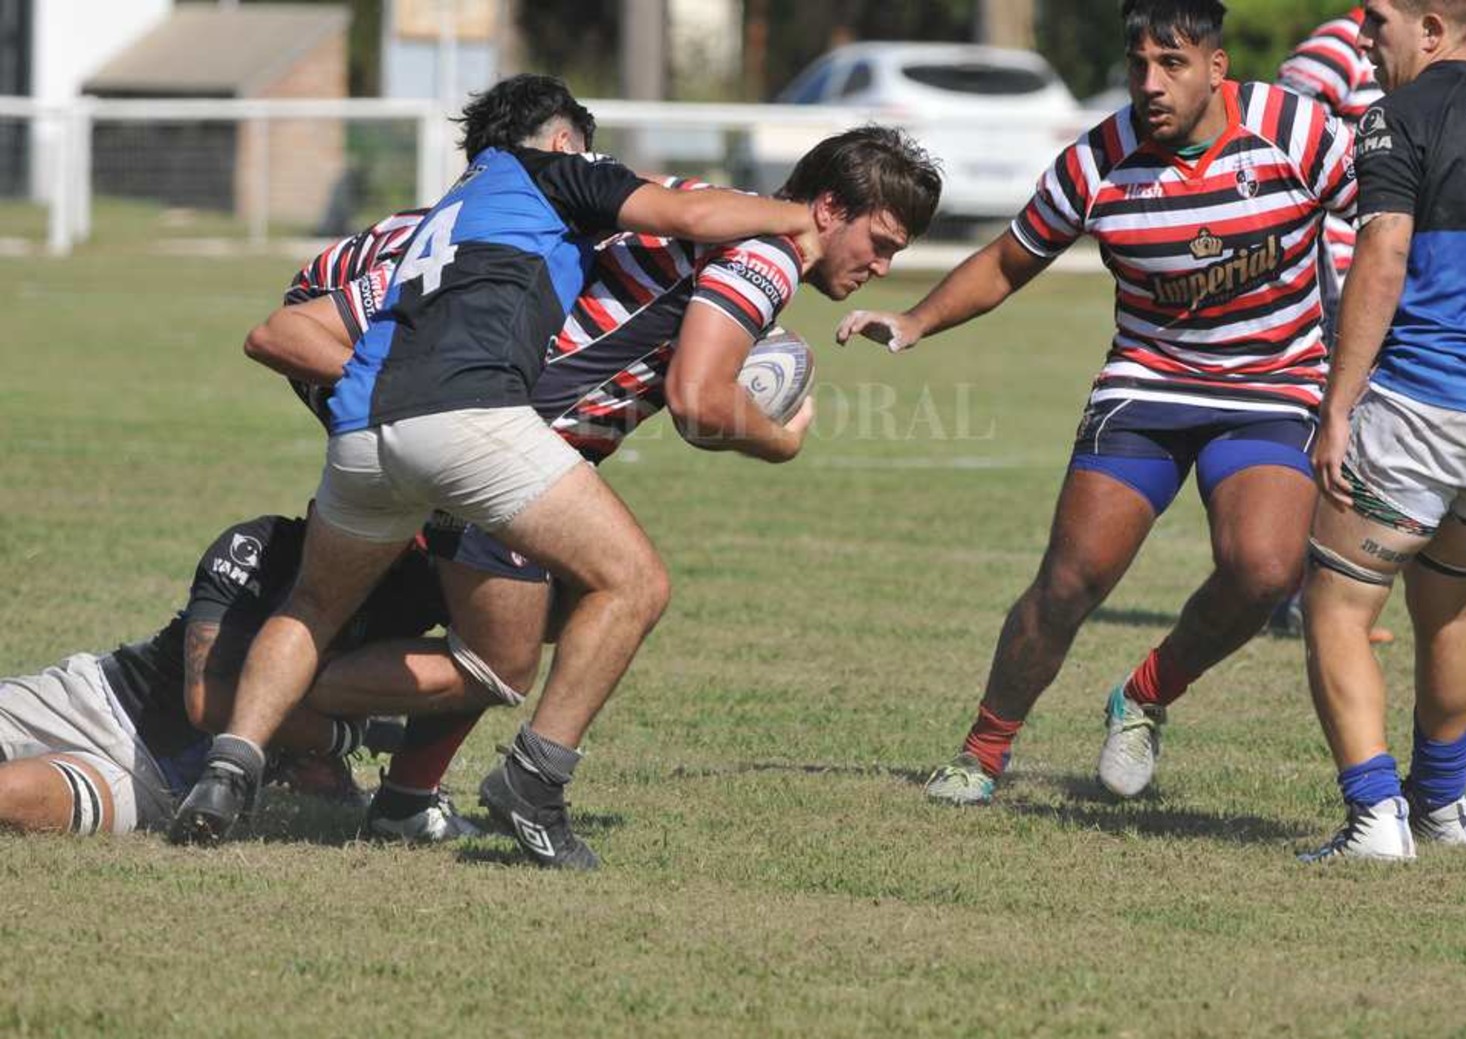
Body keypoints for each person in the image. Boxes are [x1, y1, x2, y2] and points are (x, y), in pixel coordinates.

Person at [165, 70, 829, 857]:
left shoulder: (453, 215)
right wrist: (799, 217)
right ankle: (516, 779)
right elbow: (686, 212)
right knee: (598, 602)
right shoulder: (548, 179)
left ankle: (232, 766)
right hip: (468, 418)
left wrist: (389, 391)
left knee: (316, 604)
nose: (605, 170)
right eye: (592, 154)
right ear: (561, 143)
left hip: (366, 428)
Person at [245, 125, 944, 865]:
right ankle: (461, 759)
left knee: (565, 614)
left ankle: (402, 794)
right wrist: (779, 437)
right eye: (880, 239)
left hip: (480, 422)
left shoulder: (697, 205)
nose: (882, 264)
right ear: (829, 208)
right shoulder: (766, 256)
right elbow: (699, 402)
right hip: (506, 446)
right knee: (596, 607)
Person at [837, 0, 1358, 805]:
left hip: (1272, 383)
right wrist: (914, 320)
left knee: (1262, 570)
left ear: (1216, 68)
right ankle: (982, 753)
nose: (1150, 84)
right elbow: (1009, 261)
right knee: (1070, 580)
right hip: (1148, 383)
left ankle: (1144, 695)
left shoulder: (1298, 131)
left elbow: (1389, 229)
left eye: (1172, 64)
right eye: (1138, 64)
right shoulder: (1098, 161)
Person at [1299, 0, 1466, 861]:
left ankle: (1375, 816)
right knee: (1448, 600)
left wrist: (1336, 406)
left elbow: (1379, 256)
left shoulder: (1397, 117)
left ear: (1431, 29)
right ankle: (1443, 809)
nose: (1364, 38)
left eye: (1378, 21)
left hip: (1423, 401)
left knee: (1336, 604)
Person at [0, 514, 461, 836]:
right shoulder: (262, 546)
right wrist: (339, 737)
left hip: (146, 781)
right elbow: (210, 703)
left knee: (8, 797)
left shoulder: (416, 592)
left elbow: (493, 652)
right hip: (92, 696)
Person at [1268, 8, 1393, 642]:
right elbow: (1277, 147)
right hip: (1336, 271)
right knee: (1331, 429)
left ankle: (1334, 591)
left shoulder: (1409, 46)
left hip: (1379, 263)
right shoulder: (1336, 47)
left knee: (1361, 432)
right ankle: (1302, 594)